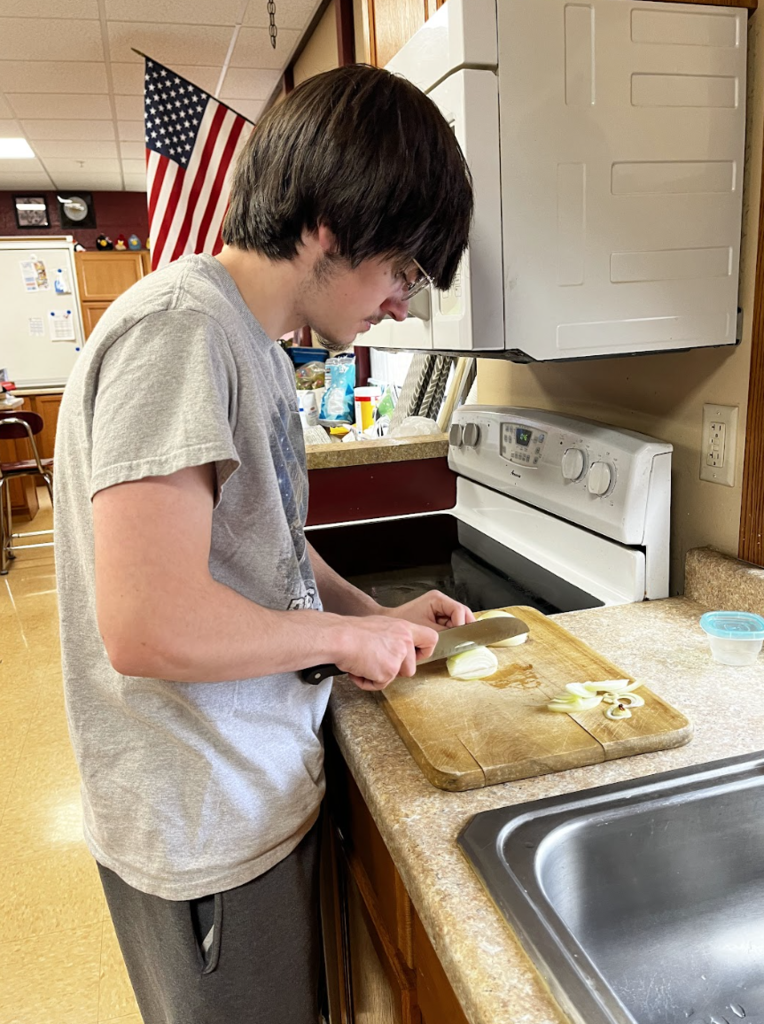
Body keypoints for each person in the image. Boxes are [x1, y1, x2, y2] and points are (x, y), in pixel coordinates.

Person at [54, 63, 474, 1024]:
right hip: (200, 822)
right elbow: (148, 625)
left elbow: (271, 543)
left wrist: (371, 617)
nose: (405, 302)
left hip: (248, 792)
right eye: (404, 267)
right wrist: (337, 644)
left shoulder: (252, 341)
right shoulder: (181, 334)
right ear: (332, 224)